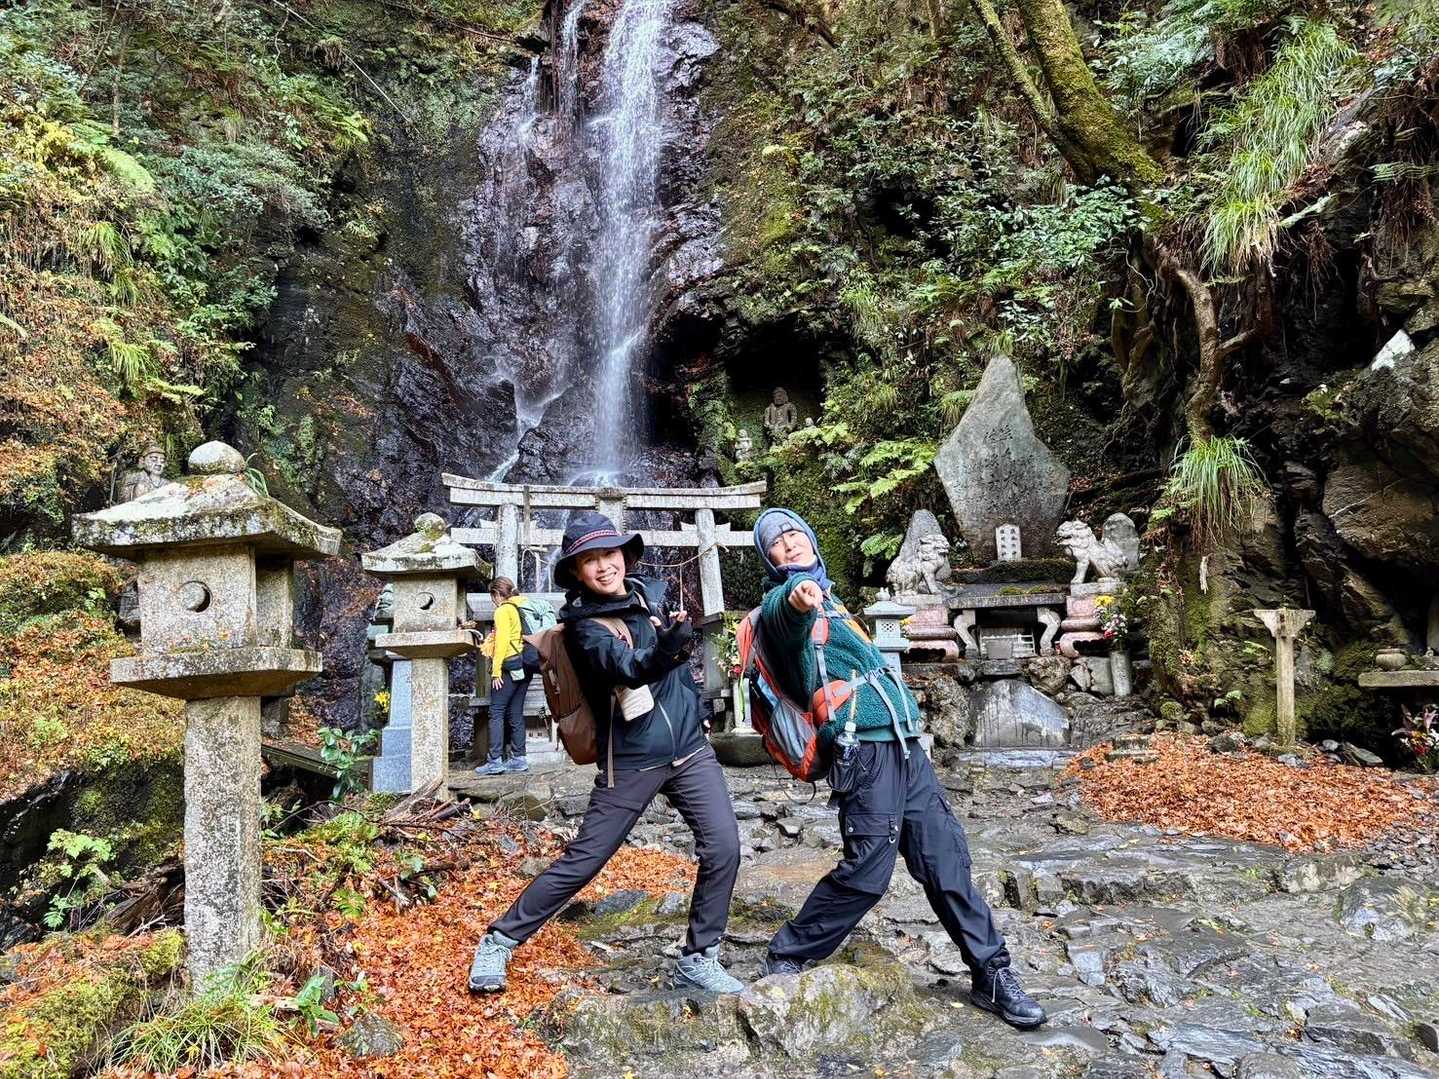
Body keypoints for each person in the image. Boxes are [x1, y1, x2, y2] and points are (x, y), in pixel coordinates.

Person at [751, 508, 1046, 1029]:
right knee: (868, 872)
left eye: (795, 533)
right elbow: (785, 612)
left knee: (946, 861)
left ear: (812, 539)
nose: (790, 544)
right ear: (770, 559)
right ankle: (789, 951)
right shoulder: (783, 608)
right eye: (777, 542)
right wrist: (797, 596)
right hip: (863, 753)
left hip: (907, 748)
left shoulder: (836, 603)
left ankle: (992, 974)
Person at [468, 512, 744, 995]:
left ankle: (700, 956)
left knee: (724, 847)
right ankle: (500, 939)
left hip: (690, 750)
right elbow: (630, 668)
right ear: (576, 572)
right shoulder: (584, 629)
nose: (603, 566)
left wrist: (697, 708)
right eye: (589, 560)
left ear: (624, 556)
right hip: (632, 757)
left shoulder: (648, 597)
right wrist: (671, 648)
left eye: (609, 553)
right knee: (587, 857)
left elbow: (677, 674)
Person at [475, 577, 531, 775]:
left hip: (508, 666)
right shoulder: (522, 605)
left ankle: (495, 760)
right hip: (525, 664)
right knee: (515, 712)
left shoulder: (503, 610)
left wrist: (496, 671)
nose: (493, 601)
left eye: (493, 597)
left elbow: (502, 642)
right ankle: (519, 758)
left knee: (496, 712)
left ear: (497, 594)